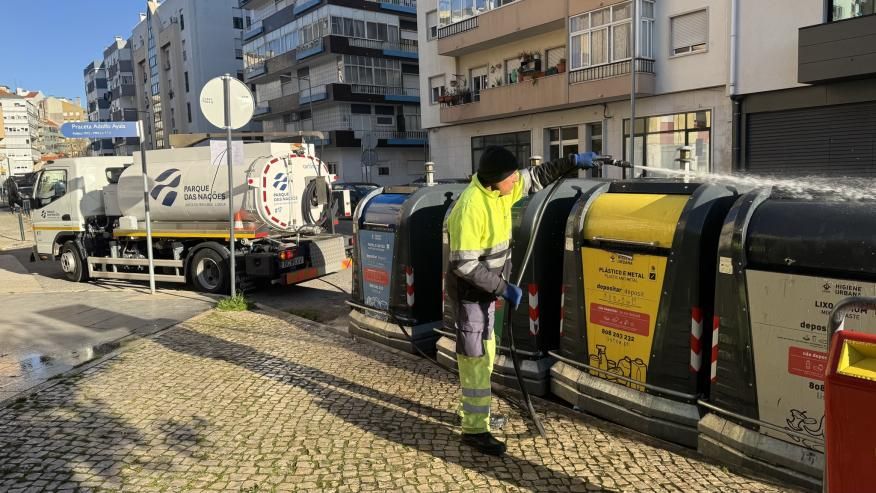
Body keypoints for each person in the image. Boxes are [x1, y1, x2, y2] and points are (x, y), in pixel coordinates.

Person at [445, 145, 598, 456]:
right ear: (495, 179)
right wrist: (504, 288)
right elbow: (464, 264)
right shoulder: (472, 207)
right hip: (471, 297)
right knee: (476, 360)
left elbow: (537, 177)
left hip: (486, 294)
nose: (517, 181)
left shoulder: (501, 193)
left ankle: (475, 413)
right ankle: (474, 430)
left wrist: (570, 162)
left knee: (485, 354)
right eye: (511, 177)